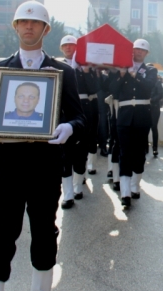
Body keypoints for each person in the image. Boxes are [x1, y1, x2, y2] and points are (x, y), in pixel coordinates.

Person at [0, 2, 85, 291]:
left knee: (45, 232)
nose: (28, 27)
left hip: (46, 166)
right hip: (7, 165)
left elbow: (79, 117)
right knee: (1, 235)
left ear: (46, 29)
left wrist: (69, 128)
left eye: (35, 23)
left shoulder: (62, 72)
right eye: (23, 22)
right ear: (15, 27)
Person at [108, 38, 157, 207]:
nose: (139, 52)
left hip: (142, 116)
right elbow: (112, 91)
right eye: (136, 49)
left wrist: (135, 76)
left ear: (146, 53)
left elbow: (149, 87)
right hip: (124, 116)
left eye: (142, 50)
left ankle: (136, 186)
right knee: (124, 152)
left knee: (139, 153)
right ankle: (125, 192)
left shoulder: (150, 70)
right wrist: (122, 75)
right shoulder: (121, 68)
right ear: (131, 50)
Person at [58, 34, 98, 208]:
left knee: (81, 151)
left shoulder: (85, 67)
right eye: (65, 45)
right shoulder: (56, 65)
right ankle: (67, 194)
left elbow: (95, 89)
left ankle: (77, 187)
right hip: (62, 112)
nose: (68, 48)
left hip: (83, 109)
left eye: (72, 45)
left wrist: (87, 72)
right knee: (64, 153)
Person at [150, 72, 163, 157]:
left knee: (154, 127)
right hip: (145, 107)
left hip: (154, 107)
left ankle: (155, 148)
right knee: (145, 128)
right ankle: (145, 148)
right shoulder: (144, 81)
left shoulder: (157, 82)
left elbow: (160, 94)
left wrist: (151, 100)